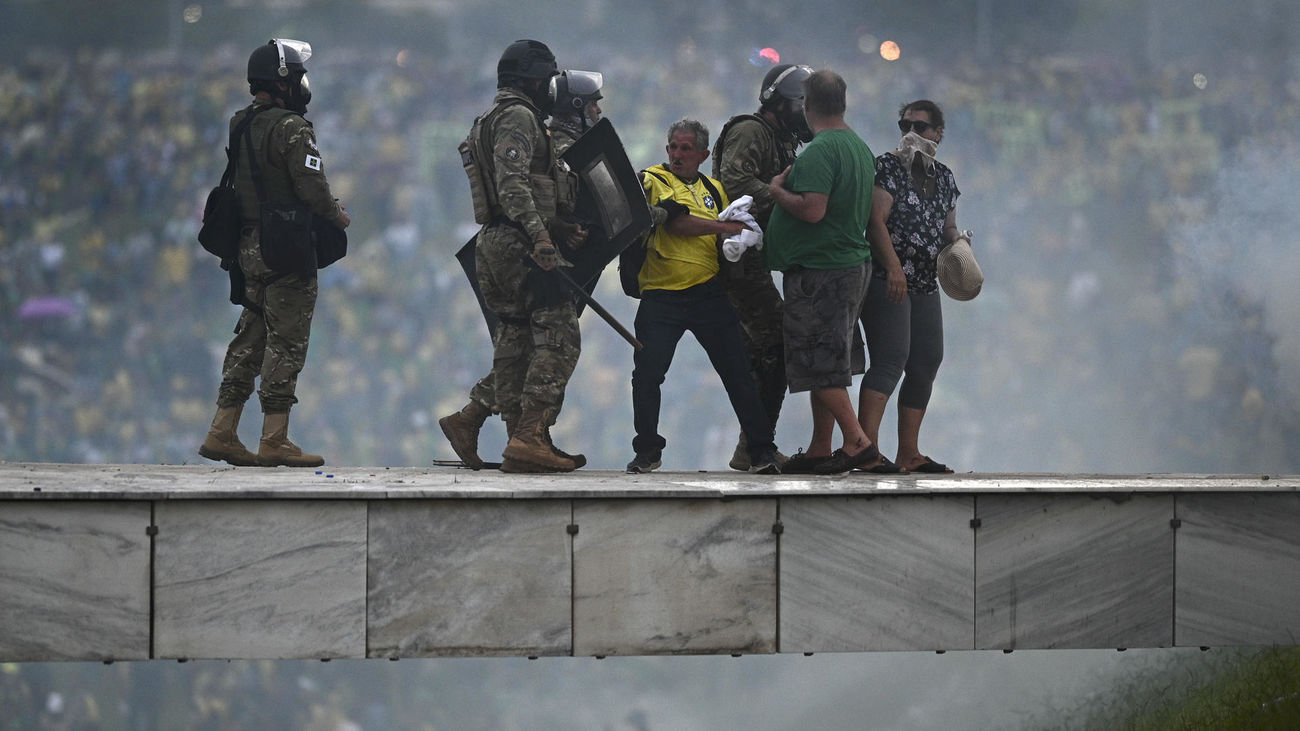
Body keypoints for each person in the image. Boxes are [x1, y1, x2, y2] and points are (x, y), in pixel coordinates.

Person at [198, 38, 351, 468]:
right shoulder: (292, 128)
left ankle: (222, 430)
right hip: (285, 247)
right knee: (287, 341)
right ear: (283, 81)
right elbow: (311, 188)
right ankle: (274, 438)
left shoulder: (240, 123)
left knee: (250, 336)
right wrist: (336, 214)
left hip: (249, 246)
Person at [439, 59, 594, 472]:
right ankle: (529, 436)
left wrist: (551, 225)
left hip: (496, 241)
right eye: (546, 80)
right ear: (531, 80)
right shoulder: (518, 116)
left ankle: (476, 424)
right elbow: (513, 185)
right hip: (520, 242)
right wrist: (542, 236)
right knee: (560, 335)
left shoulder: (489, 118)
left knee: (516, 339)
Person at [625, 119, 781, 475]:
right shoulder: (654, 179)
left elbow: (734, 223)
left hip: (707, 292)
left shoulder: (715, 189)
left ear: (703, 154)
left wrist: (742, 238)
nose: (677, 155)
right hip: (661, 295)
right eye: (673, 147)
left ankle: (762, 450)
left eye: (685, 149)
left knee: (738, 371)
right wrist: (728, 229)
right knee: (648, 375)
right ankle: (647, 451)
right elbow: (677, 224)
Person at [764, 69, 882, 475]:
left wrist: (778, 192)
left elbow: (813, 209)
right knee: (830, 360)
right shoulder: (859, 148)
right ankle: (820, 447)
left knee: (817, 359)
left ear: (806, 105)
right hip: (850, 265)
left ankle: (856, 442)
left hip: (822, 270)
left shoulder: (819, 151)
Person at [711, 63, 813, 471]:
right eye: (802, 104)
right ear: (782, 103)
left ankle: (754, 445)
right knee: (776, 344)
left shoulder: (780, 139)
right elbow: (734, 184)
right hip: (738, 259)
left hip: (754, 258)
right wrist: (785, 196)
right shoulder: (751, 131)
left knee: (769, 352)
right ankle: (756, 447)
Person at [858, 100, 963, 473]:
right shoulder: (888, 167)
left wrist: (960, 246)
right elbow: (876, 220)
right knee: (890, 359)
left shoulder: (946, 178)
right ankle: (865, 449)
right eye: (905, 125)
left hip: (924, 280)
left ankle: (909, 453)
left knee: (925, 361)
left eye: (921, 126)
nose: (911, 133)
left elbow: (947, 227)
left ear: (938, 133)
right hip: (889, 279)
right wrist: (893, 267)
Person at [547, 69, 604, 155]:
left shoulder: (551, 139)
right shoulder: (570, 151)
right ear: (577, 106)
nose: (599, 110)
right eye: (593, 104)